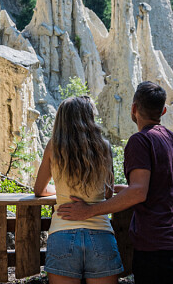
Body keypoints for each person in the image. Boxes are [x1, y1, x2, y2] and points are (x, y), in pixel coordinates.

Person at [56, 81, 173, 284]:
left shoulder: (140, 140)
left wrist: (88, 211)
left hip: (156, 248)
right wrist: (122, 189)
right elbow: (160, 186)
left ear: (134, 108)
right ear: (163, 111)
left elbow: (138, 192)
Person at [34, 95, 123, 284]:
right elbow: (108, 193)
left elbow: (39, 190)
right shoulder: (104, 147)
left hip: (62, 233)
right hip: (100, 233)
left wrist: (61, 191)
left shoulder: (53, 146)